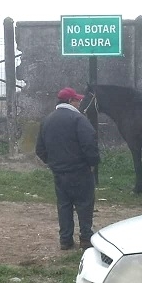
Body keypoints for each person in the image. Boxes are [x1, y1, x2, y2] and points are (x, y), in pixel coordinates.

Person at [36, 87, 100, 251]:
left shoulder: (47, 120)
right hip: (80, 171)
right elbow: (89, 144)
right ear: (70, 101)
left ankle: (65, 240)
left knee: (64, 205)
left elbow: (40, 149)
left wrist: (53, 163)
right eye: (77, 100)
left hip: (59, 172)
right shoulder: (79, 120)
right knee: (84, 204)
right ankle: (85, 238)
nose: (79, 103)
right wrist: (92, 163)